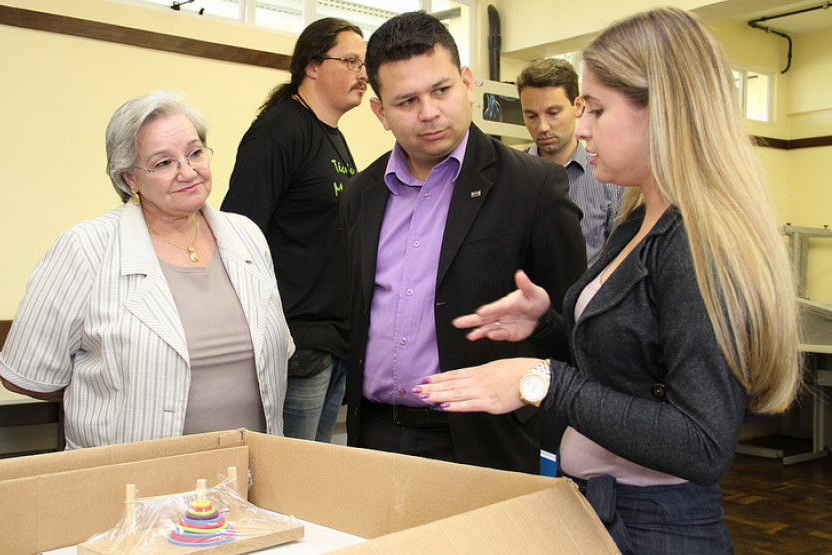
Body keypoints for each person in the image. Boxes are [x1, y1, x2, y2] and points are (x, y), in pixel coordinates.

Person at [414, 7, 801, 553]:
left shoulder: (695, 243)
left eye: (596, 109)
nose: (582, 127)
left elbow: (702, 443)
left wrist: (543, 381)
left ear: (662, 112)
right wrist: (545, 327)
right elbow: (626, 367)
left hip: (656, 527)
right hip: (602, 507)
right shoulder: (639, 222)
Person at [340, 11, 585, 473]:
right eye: (407, 100)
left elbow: (578, 334)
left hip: (482, 443)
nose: (429, 112)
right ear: (381, 112)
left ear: (468, 83)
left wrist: (539, 339)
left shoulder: (533, 187)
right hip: (375, 436)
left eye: (441, 90)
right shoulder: (361, 195)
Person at [0, 90, 293, 449]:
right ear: (130, 179)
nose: (188, 172)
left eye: (195, 153)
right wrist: (116, 398)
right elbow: (27, 375)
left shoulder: (246, 235)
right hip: (133, 473)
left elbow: (275, 357)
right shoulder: (85, 248)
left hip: (246, 467)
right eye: (164, 163)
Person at [222, 19, 367, 443]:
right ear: (312, 66)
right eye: (351, 61)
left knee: (316, 472)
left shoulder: (331, 136)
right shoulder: (279, 131)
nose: (363, 74)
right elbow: (238, 234)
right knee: (287, 472)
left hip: (334, 342)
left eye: (365, 64)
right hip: (297, 345)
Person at [517, 58, 623, 265]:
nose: (542, 127)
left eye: (553, 113)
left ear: (578, 106)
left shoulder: (612, 180)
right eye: (531, 116)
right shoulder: (507, 177)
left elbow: (622, 261)